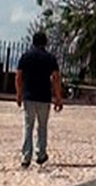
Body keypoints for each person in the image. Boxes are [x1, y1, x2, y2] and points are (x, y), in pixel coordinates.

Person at [15, 31, 64, 168]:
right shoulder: (50, 58)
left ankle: (26, 156)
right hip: (44, 97)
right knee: (42, 127)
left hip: (29, 96)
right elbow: (56, 78)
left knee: (28, 126)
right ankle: (41, 154)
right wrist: (58, 97)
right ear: (45, 42)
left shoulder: (26, 57)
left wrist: (19, 94)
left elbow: (18, 76)